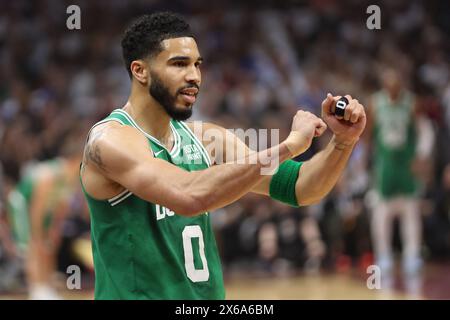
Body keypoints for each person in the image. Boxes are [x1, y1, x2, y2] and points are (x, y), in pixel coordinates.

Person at [79, 12, 366, 300]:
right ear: (140, 71)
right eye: (179, 64)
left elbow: (299, 187)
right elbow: (190, 196)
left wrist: (343, 142)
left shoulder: (208, 138)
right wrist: (287, 146)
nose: (193, 76)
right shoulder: (111, 140)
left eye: (196, 65)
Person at [366, 68, 434, 294]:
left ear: (401, 84)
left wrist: (422, 156)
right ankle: (383, 256)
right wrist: (366, 160)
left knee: (410, 212)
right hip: (385, 165)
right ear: (384, 85)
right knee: (381, 213)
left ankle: (411, 257)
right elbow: (367, 135)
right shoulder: (375, 104)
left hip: (406, 164)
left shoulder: (412, 103)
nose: (393, 88)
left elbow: (425, 130)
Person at [7, 124, 85, 299]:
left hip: (42, 210)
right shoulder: (51, 174)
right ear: (75, 159)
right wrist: (38, 235)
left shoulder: (71, 179)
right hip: (22, 204)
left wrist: (54, 231)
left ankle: (47, 286)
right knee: (34, 246)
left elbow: (61, 209)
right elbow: (37, 207)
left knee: (49, 247)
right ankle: (37, 289)